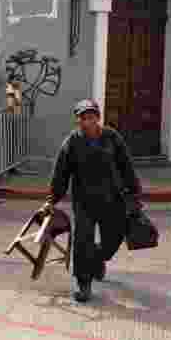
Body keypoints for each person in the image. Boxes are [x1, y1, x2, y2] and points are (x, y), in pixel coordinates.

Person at [41, 99, 140, 303]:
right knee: (82, 240)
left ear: (98, 118)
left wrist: (134, 194)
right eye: (84, 118)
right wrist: (52, 199)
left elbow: (126, 166)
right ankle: (83, 283)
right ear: (78, 121)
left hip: (112, 198)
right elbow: (61, 174)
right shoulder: (72, 142)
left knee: (114, 237)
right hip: (84, 201)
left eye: (92, 117)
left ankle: (97, 258)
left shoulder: (112, 137)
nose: (88, 121)